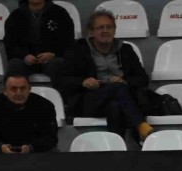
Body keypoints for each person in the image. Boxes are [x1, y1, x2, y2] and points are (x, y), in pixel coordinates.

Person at [57, 9, 154, 143]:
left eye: (109, 27)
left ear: (114, 30)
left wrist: (125, 81)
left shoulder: (125, 50)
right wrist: (83, 82)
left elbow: (143, 79)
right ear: (91, 32)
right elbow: (62, 80)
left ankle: (116, 148)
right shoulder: (78, 50)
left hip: (120, 99)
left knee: (114, 107)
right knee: (117, 88)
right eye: (100, 28)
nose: (105, 31)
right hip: (90, 99)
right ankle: (141, 126)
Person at [0, 72, 58, 154]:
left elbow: (51, 138)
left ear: (29, 89)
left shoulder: (45, 106)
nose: (19, 93)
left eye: (23, 88)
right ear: (5, 91)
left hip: (36, 153)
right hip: (0, 154)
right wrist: (0, 147)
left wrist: (31, 147)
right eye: (13, 89)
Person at [4, 0, 74, 86]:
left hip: (52, 60)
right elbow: (10, 43)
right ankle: (16, 94)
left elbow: (68, 40)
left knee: (60, 64)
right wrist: (24, 56)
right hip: (25, 61)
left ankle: (61, 94)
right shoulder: (16, 15)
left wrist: (53, 54)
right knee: (15, 64)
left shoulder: (60, 13)